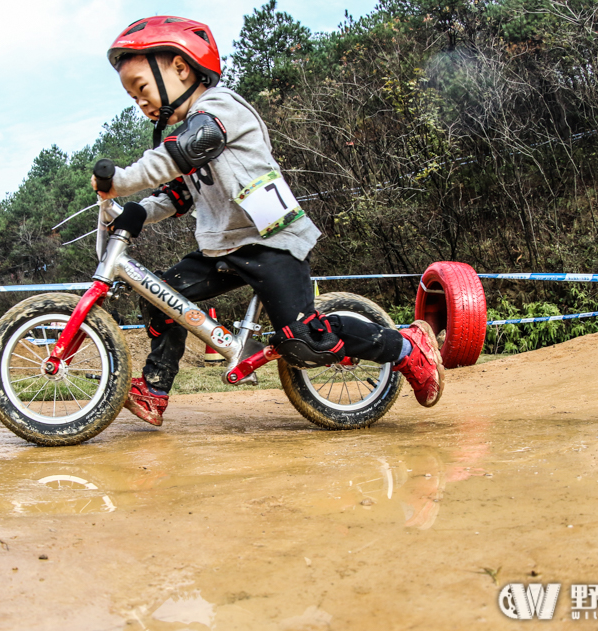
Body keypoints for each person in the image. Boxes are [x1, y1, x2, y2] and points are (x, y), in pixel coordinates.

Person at [94, 16, 444, 426]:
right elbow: (180, 193)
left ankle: (407, 347)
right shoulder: (186, 133)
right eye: (132, 96)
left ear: (180, 68)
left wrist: (121, 181)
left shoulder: (218, 111)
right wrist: (137, 211)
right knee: (160, 296)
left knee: (306, 344)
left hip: (272, 241)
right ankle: (154, 390)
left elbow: (186, 151)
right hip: (224, 249)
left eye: (142, 88)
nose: (140, 102)